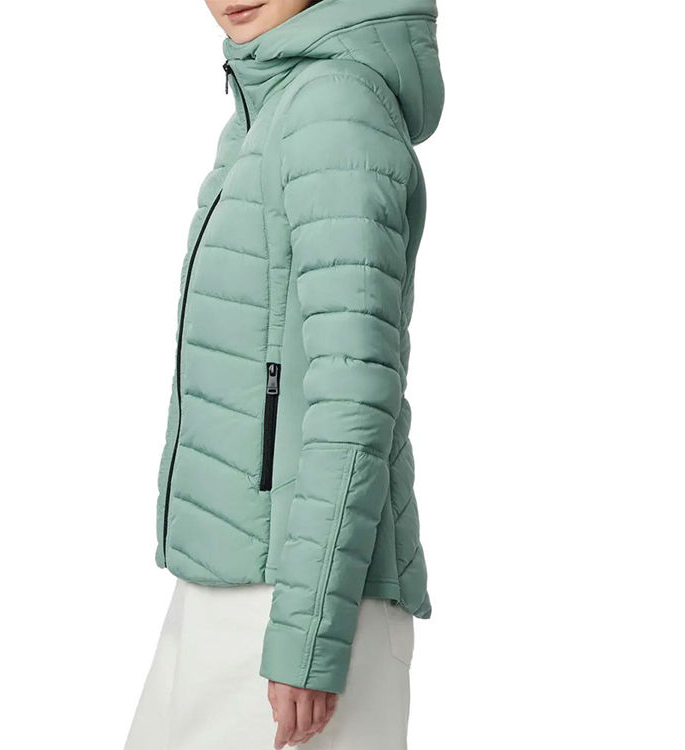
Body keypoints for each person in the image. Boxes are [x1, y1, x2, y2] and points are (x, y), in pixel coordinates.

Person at [124, 1, 444, 748]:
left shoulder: (333, 106)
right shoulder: (270, 104)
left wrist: (308, 633)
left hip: (294, 604)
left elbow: (353, 391)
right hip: (232, 585)